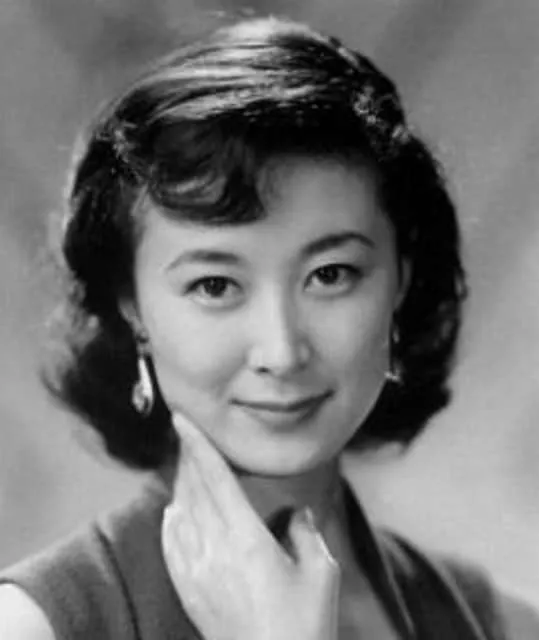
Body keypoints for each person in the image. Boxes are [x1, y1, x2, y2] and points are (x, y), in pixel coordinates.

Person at [0, 15, 537, 640]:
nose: (281, 351)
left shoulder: (499, 623)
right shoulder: (36, 625)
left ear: (401, 280)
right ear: (133, 309)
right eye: (215, 285)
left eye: (330, 275)